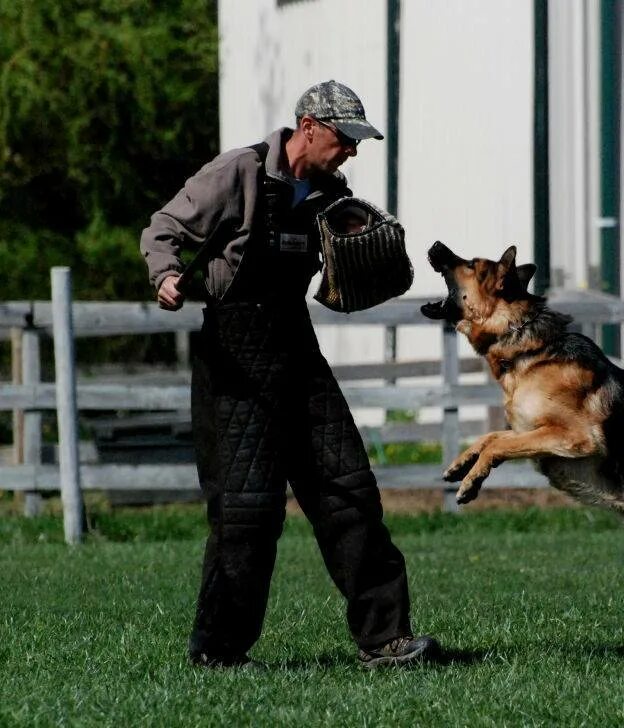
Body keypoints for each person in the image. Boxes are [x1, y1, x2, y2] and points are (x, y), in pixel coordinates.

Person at [140, 80, 435, 669]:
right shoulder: (240, 173)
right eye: (345, 138)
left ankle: (386, 640)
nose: (351, 150)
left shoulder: (331, 192)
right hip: (235, 356)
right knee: (247, 510)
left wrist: (361, 254)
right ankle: (219, 654)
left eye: (357, 141)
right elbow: (164, 228)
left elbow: (343, 266)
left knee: (348, 489)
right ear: (308, 126)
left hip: (296, 351)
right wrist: (166, 275)